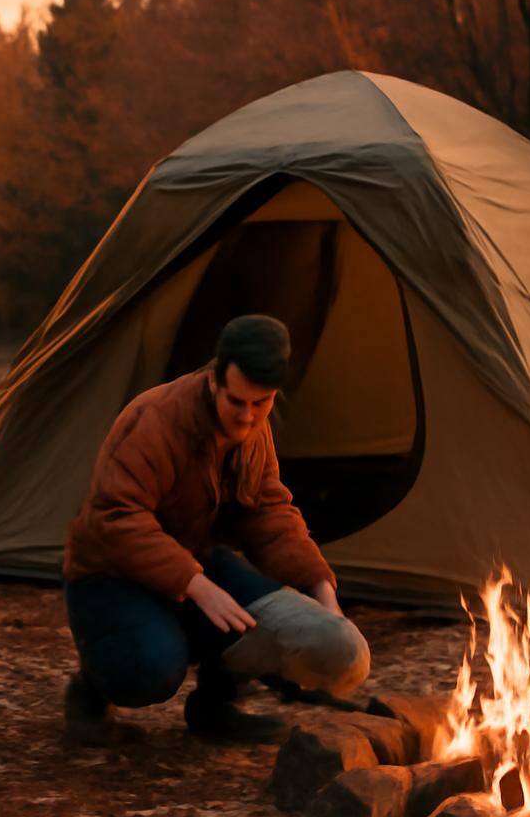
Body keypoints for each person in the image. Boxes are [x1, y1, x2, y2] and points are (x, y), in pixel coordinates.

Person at [62, 314, 370, 745]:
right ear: (214, 382)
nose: (247, 417)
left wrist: (321, 589)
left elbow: (267, 510)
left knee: (338, 647)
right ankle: (93, 685)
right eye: (237, 402)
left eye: (260, 404)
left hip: (197, 558)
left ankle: (217, 704)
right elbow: (116, 517)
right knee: (150, 667)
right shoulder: (157, 419)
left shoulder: (253, 428)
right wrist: (197, 586)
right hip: (113, 574)